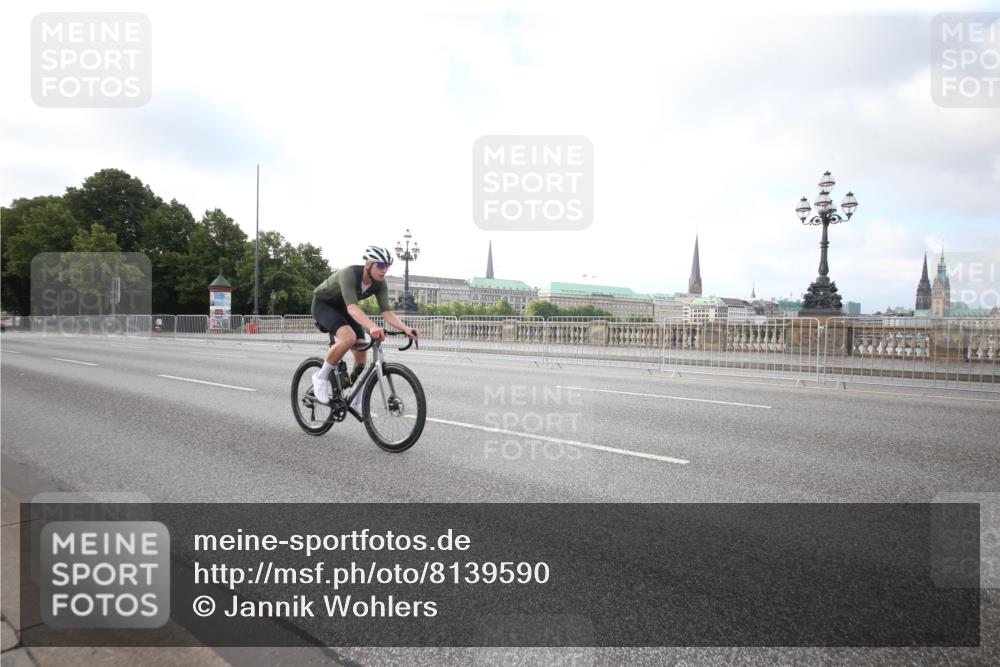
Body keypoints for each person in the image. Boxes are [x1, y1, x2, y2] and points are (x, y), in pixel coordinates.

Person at [310, 245, 419, 404]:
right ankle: (320, 377)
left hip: (345, 309)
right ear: (368, 264)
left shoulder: (380, 284)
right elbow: (353, 308)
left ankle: (357, 402)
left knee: (362, 357)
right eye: (381, 265)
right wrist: (372, 326)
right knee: (348, 338)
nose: (384, 270)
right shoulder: (350, 274)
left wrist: (406, 329)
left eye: (387, 266)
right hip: (324, 305)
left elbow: (387, 313)